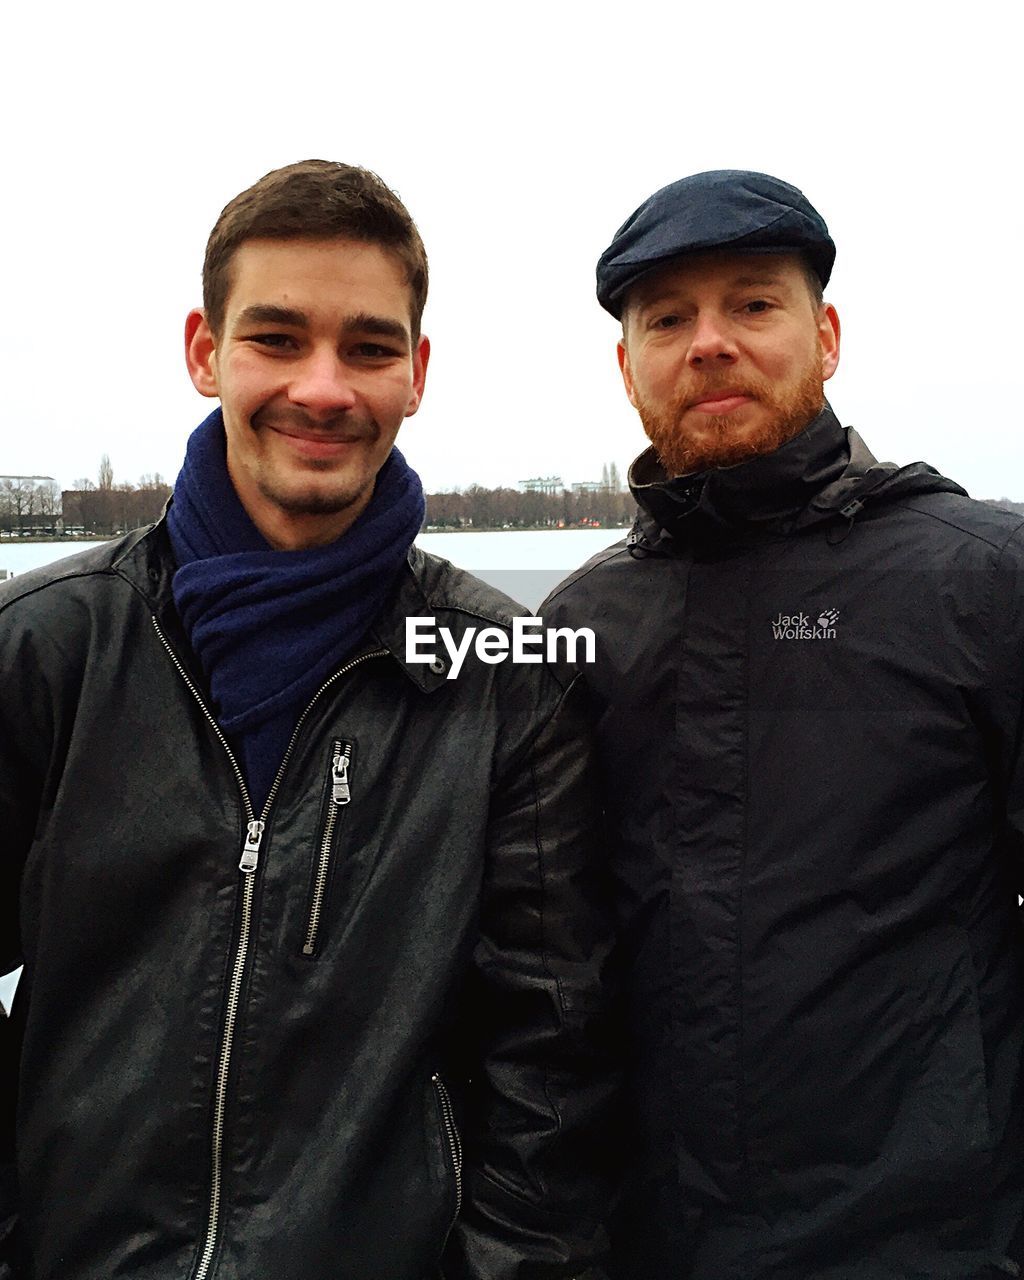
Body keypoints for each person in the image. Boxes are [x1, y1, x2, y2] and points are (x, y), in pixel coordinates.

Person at [0, 160, 615, 1280]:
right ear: (204, 350)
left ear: (418, 372)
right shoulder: (48, 645)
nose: (324, 387)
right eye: (276, 338)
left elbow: (552, 1056)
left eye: (369, 347)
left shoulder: (508, 673)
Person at [543, 170, 1024, 1279]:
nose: (708, 342)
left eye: (752, 305)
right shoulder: (576, 629)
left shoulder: (982, 585)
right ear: (628, 366)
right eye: (668, 318)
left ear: (827, 334)